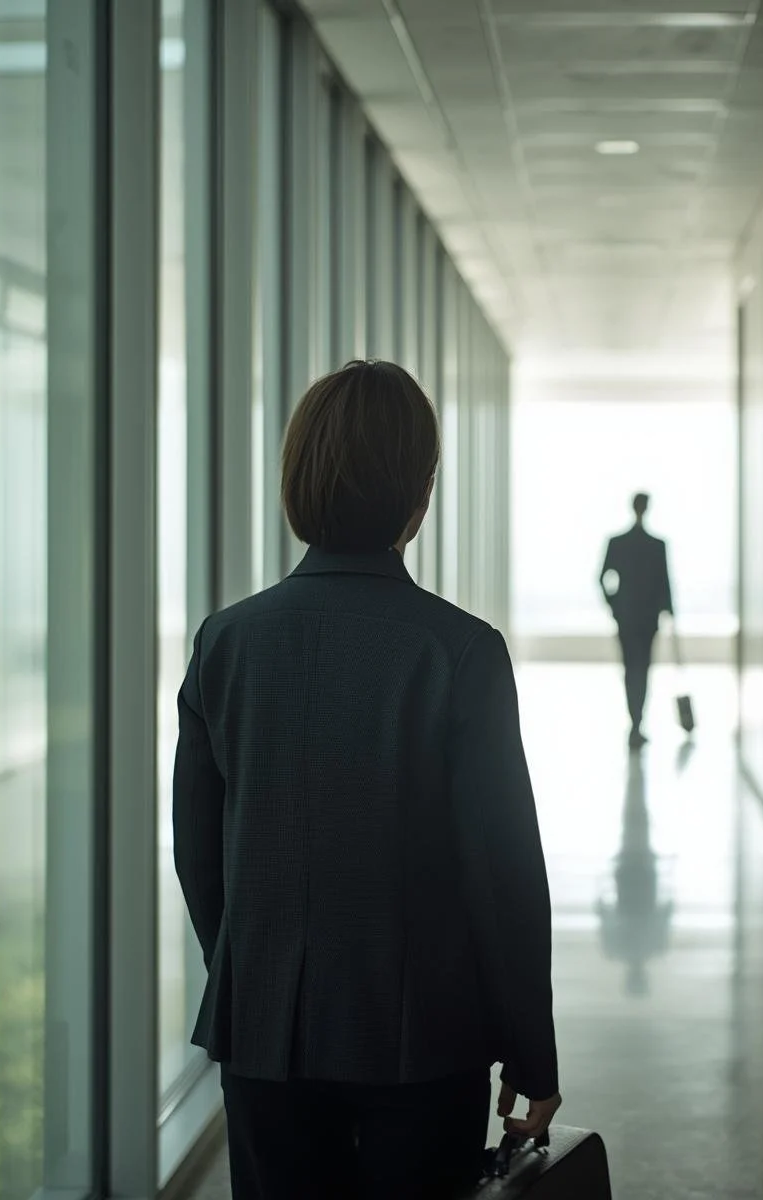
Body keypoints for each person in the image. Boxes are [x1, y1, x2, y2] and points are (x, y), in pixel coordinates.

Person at [173, 360, 561, 1200]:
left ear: (296, 482)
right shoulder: (459, 652)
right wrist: (532, 1049)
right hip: (423, 1039)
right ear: (419, 496)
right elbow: (501, 870)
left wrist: (252, 977)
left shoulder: (224, 644)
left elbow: (199, 854)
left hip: (266, 1036)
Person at [599, 493, 674, 750]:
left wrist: (615, 606)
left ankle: (636, 723)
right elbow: (665, 584)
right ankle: (637, 723)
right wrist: (668, 611)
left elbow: (603, 579)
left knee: (632, 669)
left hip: (629, 618)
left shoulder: (619, 543)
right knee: (641, 670)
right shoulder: (656, 545)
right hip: (645, 618)